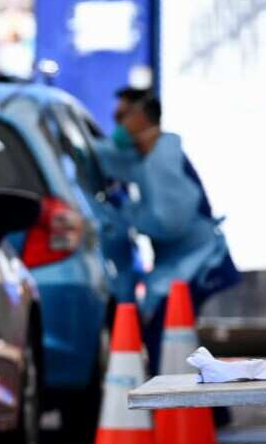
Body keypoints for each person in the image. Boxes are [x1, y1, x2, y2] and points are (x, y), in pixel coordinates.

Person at [94, 86, 240, 374]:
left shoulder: (163, 160)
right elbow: (112, 160)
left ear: (141, 117)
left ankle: (194, 408)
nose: (117, 125)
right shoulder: (148, 156)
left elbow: (169, 223)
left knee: (169, 332)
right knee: (171, 333)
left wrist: (127, 212)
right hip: (178, 263)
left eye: (122, 116)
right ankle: (198, 408)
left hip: (197, 261)